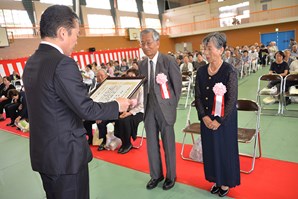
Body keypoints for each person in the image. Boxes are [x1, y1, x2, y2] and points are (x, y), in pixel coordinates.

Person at [22, 5, 130, 199]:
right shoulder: (62, 63)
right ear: (63, 32)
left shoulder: (32, 61)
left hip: (45, 153)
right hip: (65, 156)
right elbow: (85, 109)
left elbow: (55, 104)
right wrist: (117, 105)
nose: (76, 41)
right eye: (76, 34)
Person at [195, 32, 240, 197]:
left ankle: (226, 181)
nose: (206, 52)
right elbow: (197, 97)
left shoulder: (229, 71)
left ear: (221, 50)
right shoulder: (200, 71)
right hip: (206, 120)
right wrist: (204, 116)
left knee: (224, 150)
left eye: (209, 48)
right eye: (204, 49)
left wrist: (219, 120)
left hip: (224, 120)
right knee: (211, 150)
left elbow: (231, 100)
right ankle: (216, 179)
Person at [139, 28, 182, 191]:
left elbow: (177, 87)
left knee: (169, 144)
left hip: (165, 108)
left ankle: (171, 176)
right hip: (149, 107)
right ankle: (156, 175)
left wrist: (171, 106)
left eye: (148, 42)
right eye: (142, 43)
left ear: (157, 42)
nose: (145, 46)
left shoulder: (168, 61)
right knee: (151, 144)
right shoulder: (142, 64)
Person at [114, 68, 144, 154]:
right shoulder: (127, 87)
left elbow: (141, 105)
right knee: (118, 118)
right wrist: (124, 111)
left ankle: (127, 144)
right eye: (128, 76)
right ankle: (123, 142)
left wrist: (129, 113)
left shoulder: (141, 88)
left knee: (125, 120)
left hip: (139, 112)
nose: (130, 77)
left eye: (132, 76)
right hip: (127, 110)